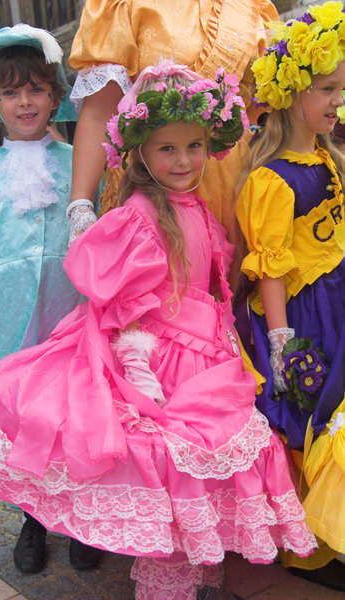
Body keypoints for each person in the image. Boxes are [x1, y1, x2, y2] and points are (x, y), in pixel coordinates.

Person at [0, 61, 316, 600]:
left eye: (193, 147)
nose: (183, 161)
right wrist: (137, 368)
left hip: (208, 358)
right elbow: (127, 302)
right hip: (162, 359)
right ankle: (165, 586)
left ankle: (196, 572)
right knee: (171, 467)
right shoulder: (138, 214)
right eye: (167, 149)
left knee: (204, 467)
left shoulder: (196, 205)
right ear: (142, 155)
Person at [0, 24, 98, 574]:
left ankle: (82, 515)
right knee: (24, 417)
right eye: (11, 93)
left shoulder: (79, 165)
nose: (24, 102)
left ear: (55, 96)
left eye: (36, 89)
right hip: (13, 315)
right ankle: (33, 518)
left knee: (76, 411)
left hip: (72, 309)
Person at [235, 1, 345, 591]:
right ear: (293, 91)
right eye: (327, 89)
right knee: (309, 419)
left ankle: (335, 527)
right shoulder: (270, 178)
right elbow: (270, 270)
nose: (337, 102)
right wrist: (280, 344)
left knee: (336, 413)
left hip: (337, 302)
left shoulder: (328, 157)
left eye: (341, 89)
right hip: (303, 319)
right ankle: (309, 547)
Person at [65, 0, 279, 246]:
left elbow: (258, 114)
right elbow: (99, 112)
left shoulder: (254, 6)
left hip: (231, 189)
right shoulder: (120, 5)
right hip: (150, 190)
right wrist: (80, 207)